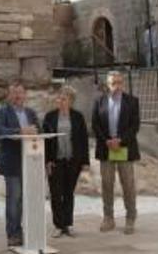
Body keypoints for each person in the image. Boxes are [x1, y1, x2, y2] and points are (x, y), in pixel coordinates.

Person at [91, 71, 141, 235]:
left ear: (123, 83)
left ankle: (130, 218)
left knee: (128, 184)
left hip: (124, 148)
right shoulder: (99, 102)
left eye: (119, 82)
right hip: (106, 149)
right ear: (108, 84)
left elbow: (134, 127)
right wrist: (107, 140)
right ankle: (108, 218)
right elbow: (95, 125)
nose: (117, 86)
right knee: (107, 184)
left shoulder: (132, 102)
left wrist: (119, 141)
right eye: (113, 83)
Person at [0, 81, 40, 248]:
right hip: (12, 163)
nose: (18, 96)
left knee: (26, 199)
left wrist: (35, 132)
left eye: (21, 92)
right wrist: (20, 131)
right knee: (14, 199)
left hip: (31, 162)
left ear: (25, 95)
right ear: (9, 95)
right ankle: (13, 234)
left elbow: (39, 132)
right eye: (15, 93)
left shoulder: (31, 113)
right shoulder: (2, 112)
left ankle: (27, 232)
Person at [42, 85, 90, 238]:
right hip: (55, 161)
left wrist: (85, 161)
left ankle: (68, 224)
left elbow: (83, 140)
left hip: (72, 161)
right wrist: (47, 161)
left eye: (64, 99)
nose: (60, 101)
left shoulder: (78, 117)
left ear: (71, 101)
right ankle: (58, 225)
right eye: (59, 98)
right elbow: (46, 142)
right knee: (56, 194)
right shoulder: (50, 117)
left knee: (68, 193)